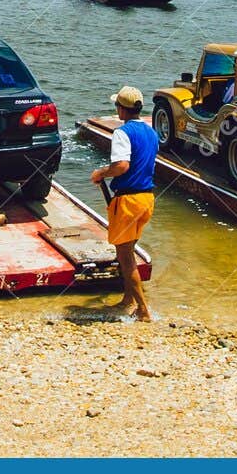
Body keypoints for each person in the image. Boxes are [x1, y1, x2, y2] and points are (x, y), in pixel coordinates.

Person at [89, 86, 156, 321]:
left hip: (128, 200)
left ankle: (144, 310)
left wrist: (101, 173)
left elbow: (121, 166)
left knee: (125, 256)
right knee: (129, 250)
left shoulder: (122, 132)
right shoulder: (151, 132)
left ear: (121, 108)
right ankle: (128, 300)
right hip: (147, 199)